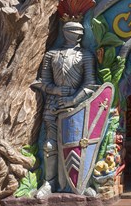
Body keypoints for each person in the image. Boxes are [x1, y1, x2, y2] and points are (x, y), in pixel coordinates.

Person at [31, 21, 97, 199]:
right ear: (64, 31)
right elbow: (43, 82)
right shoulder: (51, 55)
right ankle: (49, 182)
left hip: (76, 106)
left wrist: (72, 99)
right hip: (53, 103)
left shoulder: (86, 55)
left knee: (79, 144)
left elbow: (90, 83)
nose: (74, 33)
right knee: (49, 145)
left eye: (77, 31)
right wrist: (57, 90)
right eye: (70, 30)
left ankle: (82, 182)